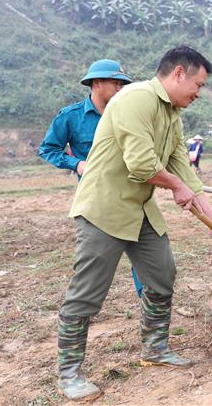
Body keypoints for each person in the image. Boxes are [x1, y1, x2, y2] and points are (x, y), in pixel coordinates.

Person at [56, 46, 212, 401]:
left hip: (139, 211)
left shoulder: (172, 115)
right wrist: (178, 187)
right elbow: (141, 164)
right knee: (87, 293)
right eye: (197, 84)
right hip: (103, 211)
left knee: (162, 274)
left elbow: (185, 171)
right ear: (178, 73)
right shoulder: (135, 99)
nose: (198, 93)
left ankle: (155, 348)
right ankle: (70, 373)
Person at [38, 60, 144, 298]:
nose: (120, 89)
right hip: (97, 202)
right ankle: (79, 314)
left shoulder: (129, 115)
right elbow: (48, 149)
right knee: (92, 267)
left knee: (146, 257)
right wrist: (77, 163)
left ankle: (149, 304)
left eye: (122, 84)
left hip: (133, 195)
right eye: (116, 83)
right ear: (97, 83)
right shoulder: (71, 117)